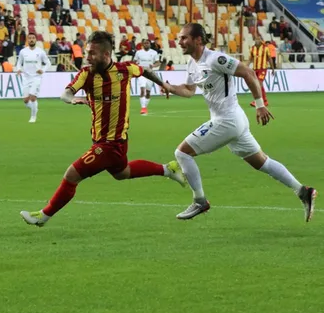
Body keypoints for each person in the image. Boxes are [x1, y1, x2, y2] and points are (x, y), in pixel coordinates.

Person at [20, 31, 186, 227]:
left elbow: (145, 71)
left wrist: (164, 84)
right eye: (87, 52)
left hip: (110, 144)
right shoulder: (86, 74)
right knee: (122, 173)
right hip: (107, 141)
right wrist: (72, 99)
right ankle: (168, 169)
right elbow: (65, 93)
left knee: (71, 175)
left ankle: (43, 216)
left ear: (106, 54)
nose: (88, 57)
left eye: (92, 53)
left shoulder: (125, 69)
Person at [163, 23, 316, 221]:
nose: (180, 42)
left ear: (198, 40)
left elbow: (248, 73)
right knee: (262, 162)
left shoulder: (215, 59)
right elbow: (189, 90)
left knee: (182, 153)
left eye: (184, 38)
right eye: (179, 38)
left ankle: (200, 201)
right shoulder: (192, 64)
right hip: (233, 120)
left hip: (227, 120)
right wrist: (170, 87)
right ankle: (303, 191)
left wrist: (260, 105)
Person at [15, 33, 50, 123]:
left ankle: (33, 117)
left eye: (33, 38)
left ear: (36, 40)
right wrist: (18, 69)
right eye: (30, 38)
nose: (31, 39)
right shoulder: (23, 51)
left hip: (36, 77)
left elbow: (48, 63)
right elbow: (19, 62)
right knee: (26, 100)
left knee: (33, 97)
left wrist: (42, 70)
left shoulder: (40, 51)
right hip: (26, 77)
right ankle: (35, 108)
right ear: (27, 40)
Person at [133, 39, 160, 115]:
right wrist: (136, 65)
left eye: (147, 43)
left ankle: (145, 107)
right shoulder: (138, 52)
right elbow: (134, 61)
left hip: (150, 74)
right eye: (145, 43)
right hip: (141, 73)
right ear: (143, 44)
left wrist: (153, 65)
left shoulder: (154, 52)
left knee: (148, 92)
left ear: (150, 44)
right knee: (142, 89)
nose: (146, 44)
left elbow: (158, 63)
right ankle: (143, 108)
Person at [249, 36, 273, 107]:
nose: (257, 40)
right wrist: (245, 66)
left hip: (263, 69)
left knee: (259, 84)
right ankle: (265, 101)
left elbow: (269, 58)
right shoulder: (252, 48)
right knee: (259, 85)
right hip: (255, 69)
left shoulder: (265, 48)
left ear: (261, 40)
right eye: (256, 39)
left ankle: (256, 101)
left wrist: (273, 68)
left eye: (258, 39)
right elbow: (250, 59)